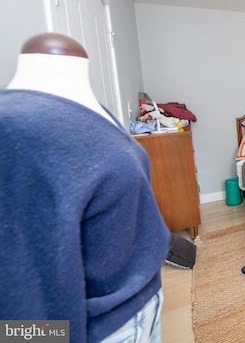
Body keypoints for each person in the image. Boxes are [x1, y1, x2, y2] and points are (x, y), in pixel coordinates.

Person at [0, 33, 170, 342]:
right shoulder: (13, 129)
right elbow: (20, 280)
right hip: (104, 326)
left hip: (135, 306)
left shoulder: (92, 110)